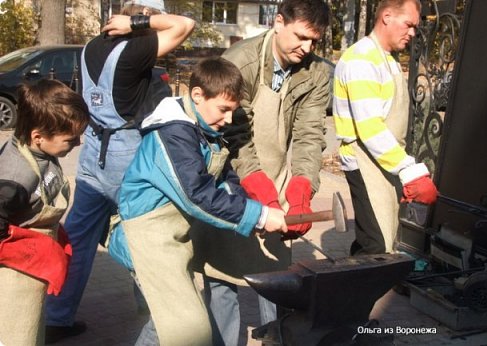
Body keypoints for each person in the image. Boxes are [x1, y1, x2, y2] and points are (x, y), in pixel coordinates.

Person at [44, 0, 195, 342]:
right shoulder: (136, 46)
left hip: (93, 154)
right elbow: (185, 25)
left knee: (78, 239)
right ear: (141, 16)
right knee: (144, 237)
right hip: (126, 158)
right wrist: (141, 24)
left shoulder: (92, 45)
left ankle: (57, 316)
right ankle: (156, 315)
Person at [111, 56, 288, 345]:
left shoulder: (207, 130)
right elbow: (197, 195)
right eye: (223, 109)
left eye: (233, 111)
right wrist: (260, 216)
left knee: (172, 323)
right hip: (144, 239)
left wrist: (256, 212)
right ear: (197, 95)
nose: (229, 119)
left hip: (171, 239)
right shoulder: (173, 133)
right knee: (181, 326)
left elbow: (225, 180)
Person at [189, 0, 332, 344]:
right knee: (222, 280)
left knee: (277, 282)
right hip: (229, 182)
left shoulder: (316, 72)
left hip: (280, 183)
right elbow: (233, 134)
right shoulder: (241, 62)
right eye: (301, 37)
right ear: (278, 22)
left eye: (315, 41)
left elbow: (310, 135)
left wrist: (300, 187)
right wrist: (256, 186)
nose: (307, 48)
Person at [333, 0, 437, 256]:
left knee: (376, 240)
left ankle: (349, 288)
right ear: (387, 16)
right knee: (376, 247)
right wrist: (410, 171)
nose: (412, 32)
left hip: (381, 164)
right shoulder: (361, 61)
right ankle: (349, 295)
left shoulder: (387, 59)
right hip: (364, 162)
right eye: (408, 24)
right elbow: (370, 129)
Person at [0, 79, 89, 346]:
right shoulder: (15, 176)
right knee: (16, 333)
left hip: (34, 266)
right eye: (70, 139)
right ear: (38, 136)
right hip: (16, 270)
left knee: (31, 328)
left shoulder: (41, 150)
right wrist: (30, 249)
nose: (77, 143)